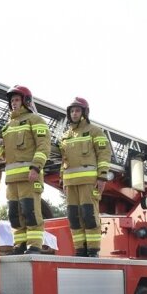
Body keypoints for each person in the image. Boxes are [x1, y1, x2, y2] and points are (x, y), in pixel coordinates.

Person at [0, 85, 51, 254]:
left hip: (29, 177)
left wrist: (36, 167)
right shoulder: (8, 126)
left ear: (26, 101)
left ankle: (34, 245)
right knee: (15, 215)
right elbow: (5, 154)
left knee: (31, 212)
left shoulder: (36, 121)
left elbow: (43, 147)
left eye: (17, 99)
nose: (14, 103)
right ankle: (19, 245)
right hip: (11, 180)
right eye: (12, 100)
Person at [56, 97, 111, 257]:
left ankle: (93, 250)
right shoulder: (65, 136)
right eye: (72, 111)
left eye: (77, 110)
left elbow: (104, 154)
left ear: (84, 112)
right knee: (74, 217)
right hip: (70, 183)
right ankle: (80, 249)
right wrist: (62, 180)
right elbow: (63, 160)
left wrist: (102, 177)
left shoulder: (95, 131)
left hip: (89, 182)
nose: (74, 113)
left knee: (89, 215)